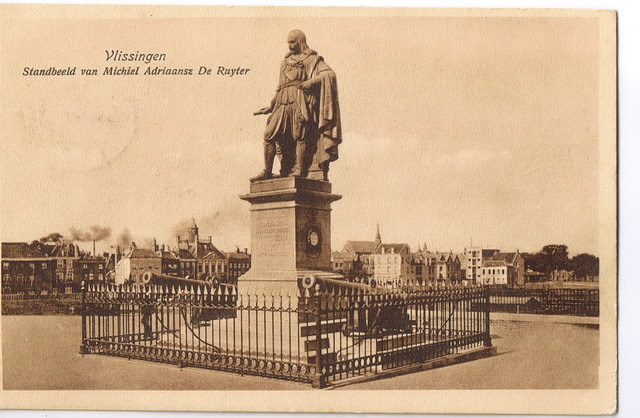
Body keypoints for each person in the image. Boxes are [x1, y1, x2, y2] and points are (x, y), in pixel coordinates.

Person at [251, 29, 341, 182]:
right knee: (269, 134)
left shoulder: (312, 59)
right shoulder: (284, 62)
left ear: (300, 41)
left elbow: (329, 74)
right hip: (282, 101)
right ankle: (267, 170)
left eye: (292, 42)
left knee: (299, 135)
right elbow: (279, 86)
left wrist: (310, 82)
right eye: (288, 42)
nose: (289, 46)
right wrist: (271, 106)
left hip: (300, 99)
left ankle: (299, 168)